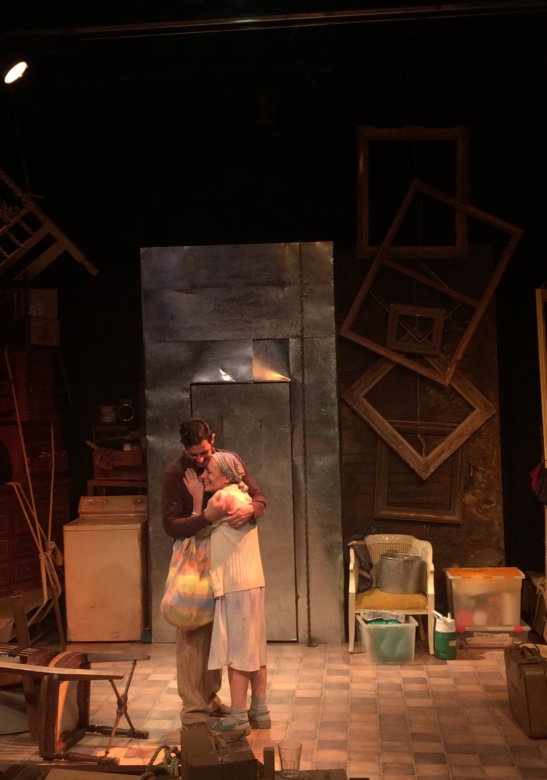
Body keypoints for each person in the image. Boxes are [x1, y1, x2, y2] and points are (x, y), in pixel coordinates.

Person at [162, 418, 266, 729]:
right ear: (184, 449)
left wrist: (251, 509)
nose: (200, 462)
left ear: (213, 440)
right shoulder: (175, 472)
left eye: (204, 454)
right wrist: (204, 514)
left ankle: (210, 698)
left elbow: (259, 497)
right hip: (195, 559)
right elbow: (171, 525)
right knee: (193, 633)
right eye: (193, 455)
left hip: (226, 562)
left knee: (220, 637)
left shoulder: (227, 463)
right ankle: (194, 709)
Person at [187, 451, 270, 734]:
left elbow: (198, 530)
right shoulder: (242, 495)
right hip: (252, 582)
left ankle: (238, 717)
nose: (204, 475)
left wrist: (196, 498)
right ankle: (260, 710)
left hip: (236, 585)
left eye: (209, 471)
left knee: (238, 653)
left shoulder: (222, 499)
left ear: (227, 476)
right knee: (255, 650)